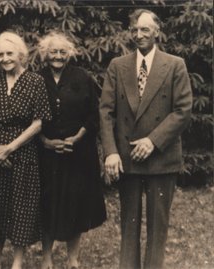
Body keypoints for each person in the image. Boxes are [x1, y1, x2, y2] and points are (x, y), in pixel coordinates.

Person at [100, 9, 192, 269]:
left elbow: (183, 110)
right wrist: (111, 152)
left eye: (145, 30)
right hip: (127, 157)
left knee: (157, 228)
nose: (139, 35)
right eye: (135, 30)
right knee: (128, 226)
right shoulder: (118, 66)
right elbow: (106, 112)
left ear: (156, 32)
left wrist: (152, 141)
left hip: (161, 157)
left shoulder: (175, 65)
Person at [0, 31, 51, 269]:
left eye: (10, 54)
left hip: (22, 153)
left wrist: (9, 148)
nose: (5, 58)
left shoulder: (35, 81)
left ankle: (17, 264)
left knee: (22, 210)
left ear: (21, 55)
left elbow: (39, 122)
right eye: (1, 54)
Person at [37, 32, 107, 269]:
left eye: (62, 52)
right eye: (53, 52)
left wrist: (76, 138)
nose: (58, 56)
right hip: (45, 154)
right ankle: (46, 257)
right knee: (47, 204)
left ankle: (72, 258)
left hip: (78, 153)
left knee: (75, 204)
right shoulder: (36, 79)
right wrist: (45, 141)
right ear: (45, 54)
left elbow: (93, 115)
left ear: (69, 54)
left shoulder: (83, 77)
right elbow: (28, 117)